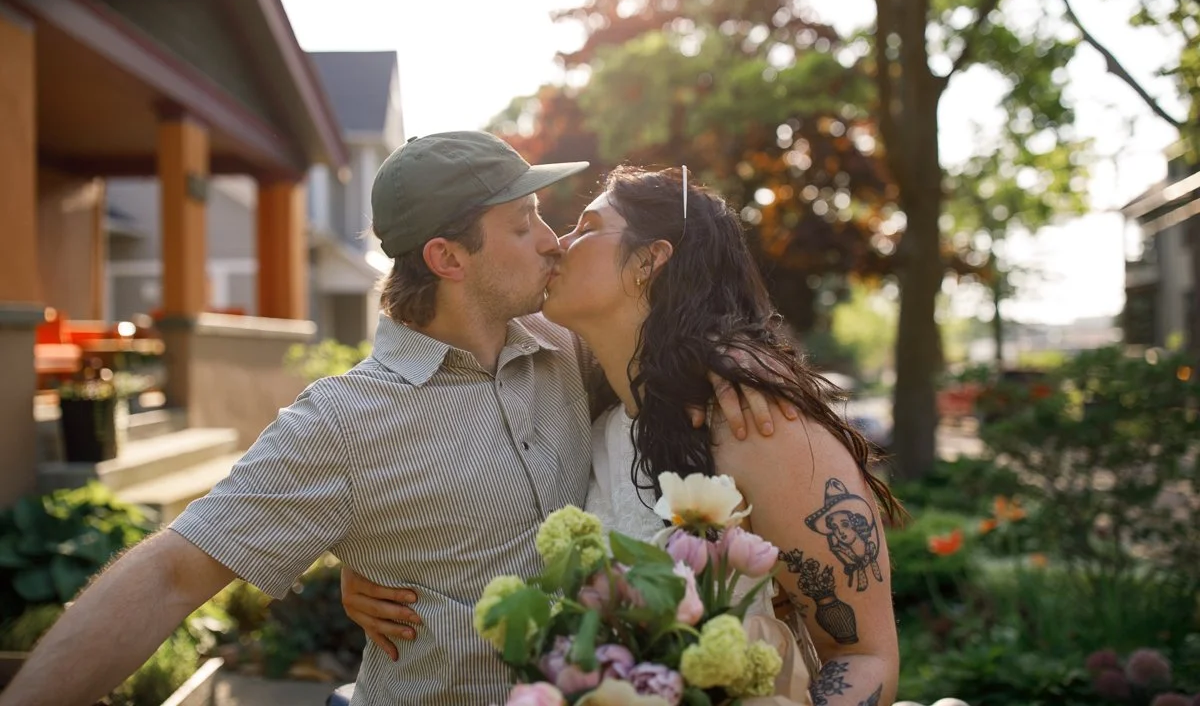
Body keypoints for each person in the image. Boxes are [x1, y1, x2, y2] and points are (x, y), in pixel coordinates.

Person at [0, 135, 777, 706]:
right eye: (524, 223)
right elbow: (173, 572)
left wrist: (751, 378)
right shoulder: (343, 424)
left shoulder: (570, 348)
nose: (554, 241)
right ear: (448, 258)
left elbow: (677, 327)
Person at [344, 167, 904, 705]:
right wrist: (365, 557)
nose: (557, 243)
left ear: (649, 260)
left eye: (586, 228)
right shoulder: (587, 403)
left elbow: (862, 654)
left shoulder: (754, 422)